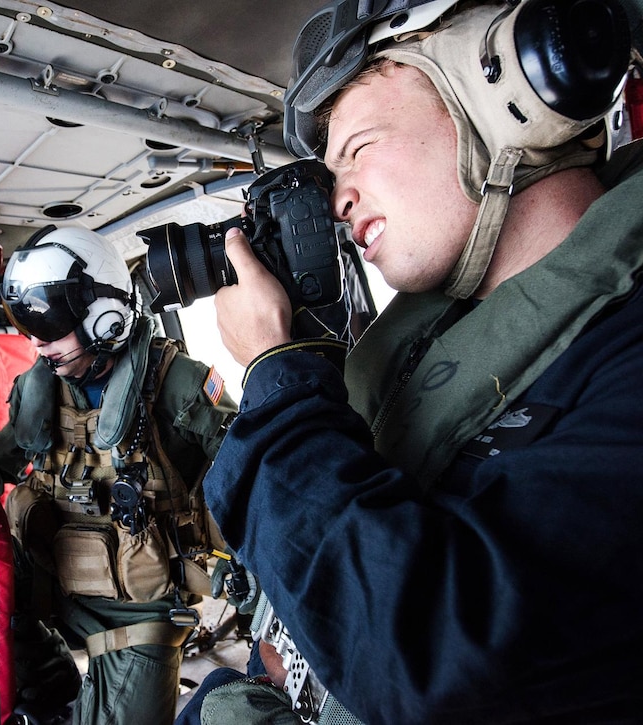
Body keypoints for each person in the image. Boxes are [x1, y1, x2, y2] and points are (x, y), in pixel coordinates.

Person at [190, 0, 643, 723]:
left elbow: (440, 655)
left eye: (359, 148)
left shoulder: (624, 358)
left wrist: (277, 372)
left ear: (507, 97)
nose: (335, 202)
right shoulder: (417, 355)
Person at [0, 226, 238, 725]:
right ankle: (46, 677)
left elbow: (255, 469)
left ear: (105, 318)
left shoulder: (177, 382)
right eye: (28, 326)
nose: (37, 343)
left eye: (50, 327)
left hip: (138, 606)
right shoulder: (39, 387)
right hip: (49, 573)